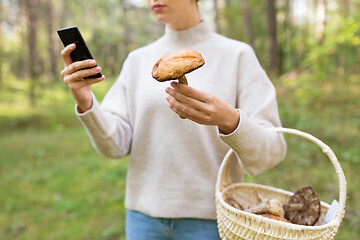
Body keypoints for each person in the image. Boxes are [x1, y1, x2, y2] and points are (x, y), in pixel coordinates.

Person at [60, 0, 287, 239]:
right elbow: (115, 146)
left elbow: (272, 152)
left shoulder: (238, 55)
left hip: (212, 222)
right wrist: (86, 101)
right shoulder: (137, 60)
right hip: (142, 220)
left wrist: (230, 120)